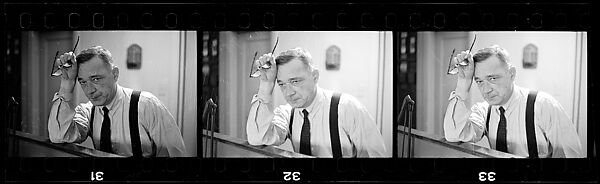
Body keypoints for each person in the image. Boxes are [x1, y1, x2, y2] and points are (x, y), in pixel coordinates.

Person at [443, 45, 583, 158]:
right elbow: (454, 135)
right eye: (479, 81)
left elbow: (571, 156)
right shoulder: (484, 110)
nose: (485, 90)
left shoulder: (544, 105)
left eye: (492, 78)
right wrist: (464, 81)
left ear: (512, 74)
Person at [246, 47, 387, 158]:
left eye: (295, 81)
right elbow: (258, 139)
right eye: (282, 84)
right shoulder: (287, 113)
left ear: (315, 76)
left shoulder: (347, 108)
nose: (288, 93)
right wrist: (266, 84)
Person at [47, 46, 186, 157]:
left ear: (115, 74)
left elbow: (175, 155)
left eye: (96, 79)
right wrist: (66, 84)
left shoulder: (147, 105)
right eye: (83, 82)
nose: (89, 90)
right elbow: (60, 137)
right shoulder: (88, 111)